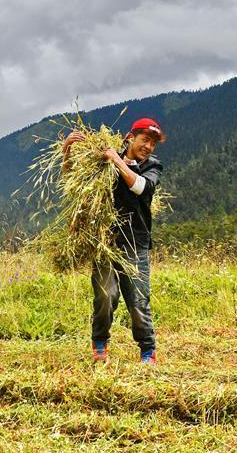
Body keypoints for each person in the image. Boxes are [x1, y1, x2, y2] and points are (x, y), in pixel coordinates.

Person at [63, 118, 165, 364]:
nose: (148, 146)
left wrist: (117, 161)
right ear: (131, 137)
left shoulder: (152, 166)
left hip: (135, 243)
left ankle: (147, 351)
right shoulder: (106, 159)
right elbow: (75, 181)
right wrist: (67, 150)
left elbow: (140, 187)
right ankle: (99, 344)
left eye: (153, 143)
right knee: (105, 296)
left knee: (138, 300)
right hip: (106, 242)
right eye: (145, 140)